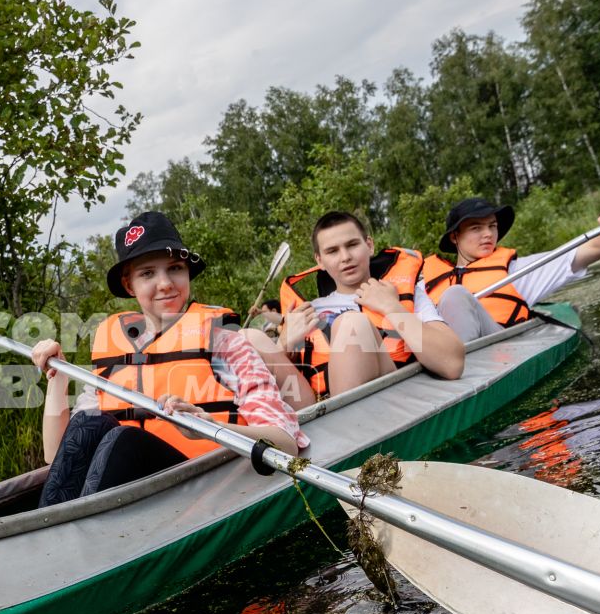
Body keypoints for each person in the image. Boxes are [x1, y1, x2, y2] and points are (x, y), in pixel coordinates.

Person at [31, 212, 306, 504]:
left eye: (174, 268)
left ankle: (74, 539)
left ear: (187, 272)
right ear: (129, 285)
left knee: (122, 438)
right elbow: (55, 454)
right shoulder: (114, 350)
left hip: (208, 485)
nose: (165, 283)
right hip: (135, 495)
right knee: (90, 423)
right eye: (147, 273)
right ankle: (61, 536)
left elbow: (286, 443)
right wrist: (56, 373)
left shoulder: (225, 343)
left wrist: (208, 426)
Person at [275, 211, 465, 400]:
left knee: (351, 324)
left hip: (392, 398)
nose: (345, 257)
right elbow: (282, 386)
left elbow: (453, 364)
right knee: (252, 339)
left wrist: (392, 307)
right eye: (332, 251)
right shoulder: (306, 312)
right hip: (319, 408)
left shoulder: (403, 294)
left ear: (369, 245)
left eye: (352, 245)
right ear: (320, 261)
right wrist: (283, 344)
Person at [421, 196, 600, 342]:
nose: (488, 234)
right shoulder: (425, 282)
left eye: (492, 226)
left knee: (456, 295)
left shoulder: (519, 270)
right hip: (442, 357)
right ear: (454, 236)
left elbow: (598, 247)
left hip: (494, 353)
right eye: (476, 228)